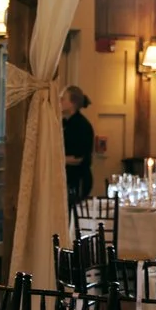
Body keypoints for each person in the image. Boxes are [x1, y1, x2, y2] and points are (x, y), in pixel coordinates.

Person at [61, 86, 96, 214]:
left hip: (77, 180)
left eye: (63, 99)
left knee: (72, 215)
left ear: (72, 103)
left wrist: (55, 159)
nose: (59, 101)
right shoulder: (63, 123)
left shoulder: (82, 126)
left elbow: (78, 158)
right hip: (65, 177)